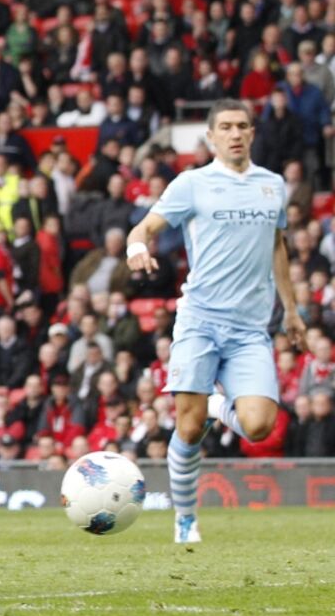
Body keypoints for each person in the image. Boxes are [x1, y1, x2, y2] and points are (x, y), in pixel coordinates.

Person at [127, 99, 304, 545]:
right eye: (225, 127)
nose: (235, 134)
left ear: (252, 132)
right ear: (210, 137)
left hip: (250, 330)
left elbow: (277, 246)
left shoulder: (272, 185)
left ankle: (214, 406)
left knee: (259, 425)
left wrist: (292, 310)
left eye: (242, 126)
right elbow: (143, 228)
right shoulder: (192, 183)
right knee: (187, 429)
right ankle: (186, 518)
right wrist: (137, 248)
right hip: (200, 321)